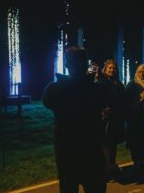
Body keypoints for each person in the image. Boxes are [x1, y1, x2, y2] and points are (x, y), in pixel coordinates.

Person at [42, 46, 112, 193]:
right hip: (91, 152)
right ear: (87, 64)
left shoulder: (54, 90)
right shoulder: (99, 90)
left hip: (67, 154)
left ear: (67, 65)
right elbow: (112, 98)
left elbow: (47, 101)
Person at [125, 64, 144, 173]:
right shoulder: (131, 84)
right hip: (133, 118)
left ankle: (142, 160)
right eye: (140, 72)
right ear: (136, 73)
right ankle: (136, 161)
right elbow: (126, 101)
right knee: (134, 140)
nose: (142, 74)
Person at [101, 59, 126, 181]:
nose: (112, 70)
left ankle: (112, 165)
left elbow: (122, 99)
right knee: (105, 144)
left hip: (116, 118)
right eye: (109, 68)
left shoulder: (118, 83)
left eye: (114, 68)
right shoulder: (101, 81)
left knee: (113, 143)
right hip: (105, 119)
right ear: (105, 69)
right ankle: (106, 170)